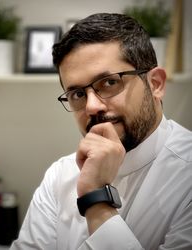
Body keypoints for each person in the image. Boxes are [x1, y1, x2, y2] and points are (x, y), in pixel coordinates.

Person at [10, 13, 192, 250]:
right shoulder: (59, 176)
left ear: (155, 84)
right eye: (77, 94)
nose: (92, 106)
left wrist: (96, 199)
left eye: (109, 82)